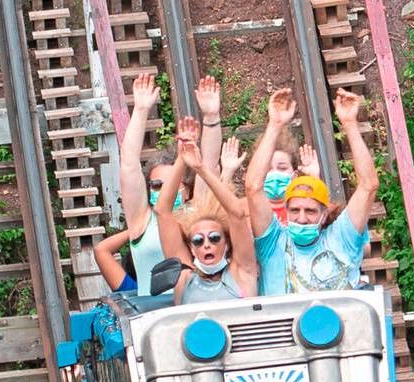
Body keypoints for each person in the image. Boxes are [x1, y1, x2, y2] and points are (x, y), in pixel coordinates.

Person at [245, 87, 378, 295]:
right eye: (295, 210)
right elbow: (253, 187)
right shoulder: (274, 243)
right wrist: (275, 125)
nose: (301, 218)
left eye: (310, 211)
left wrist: (350, 125)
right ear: (286, 212)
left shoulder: (341, 236)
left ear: (324, 214)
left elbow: (368, 185)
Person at [120, 73, 224, 295]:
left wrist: (211, 116)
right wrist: (140, 110)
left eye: (172, 184)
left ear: (186, 190)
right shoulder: (142, 220)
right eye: (157, 185)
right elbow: (129, 165)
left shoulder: (197, 213)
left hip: (194, 308)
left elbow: (210, 163)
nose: (164, 190)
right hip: (153, 314)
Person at [153, 118, 257, 304]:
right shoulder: (184, 278)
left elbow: (237, 214)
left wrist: (201, 169)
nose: (206, 244)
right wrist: (182, 159)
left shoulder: (242, 272)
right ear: (191, 248)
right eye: (198, 241)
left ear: (227, 244)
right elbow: (162, 212)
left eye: (215, 238)